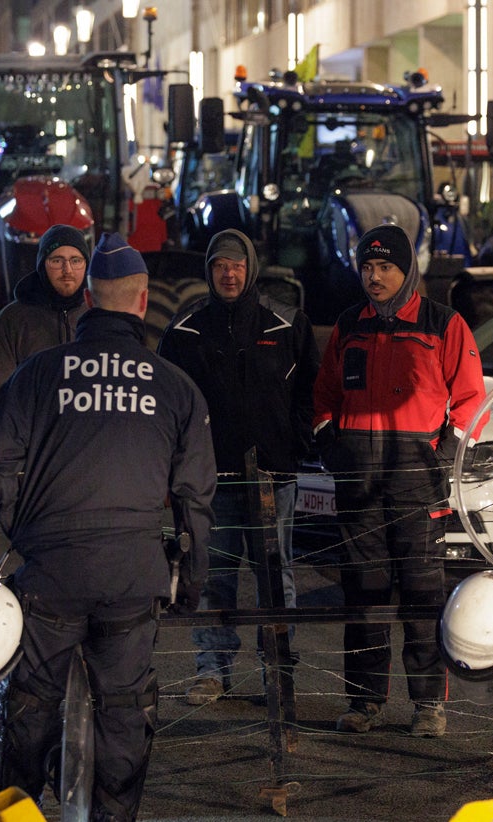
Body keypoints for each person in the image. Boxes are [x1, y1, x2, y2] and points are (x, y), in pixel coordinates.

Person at [0, 233, 215, 821]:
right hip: (133, 576)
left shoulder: (39, 373)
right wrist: (191, 577)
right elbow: (195, 495)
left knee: (28, 706)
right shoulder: (173, 385)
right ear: (142, 300)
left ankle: (18, 814)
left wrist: (24, 529)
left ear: (87, 297)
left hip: (51, 573)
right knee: (125, 712)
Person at [312, 224, 486, 738]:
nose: (375, 277)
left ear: (407, 270)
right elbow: (324, 396)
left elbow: (472, 399)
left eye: (385, 267)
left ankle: (428, 705)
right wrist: (332, 444)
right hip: (359, 485)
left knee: (420, 597)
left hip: (417, 485)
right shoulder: (349, 326)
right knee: (363, 597)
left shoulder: (444, 325)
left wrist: (446, 454)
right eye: (367, 267)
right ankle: (365, 704)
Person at [158, 228, 318, 704]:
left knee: (276, 578)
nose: (229, 274)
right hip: (212, 480)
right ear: (209, 272)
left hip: (274, 478)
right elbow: (167, 406)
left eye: (237, 265)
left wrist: (296, 444)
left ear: (251, 269)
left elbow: (311, 391)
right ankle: (212, 670)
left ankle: (278, 669)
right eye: (220, 265)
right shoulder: (185, 332)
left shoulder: (286, 326)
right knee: (212, 576)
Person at [0, 224, 90, 400]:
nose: (67, 270)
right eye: (57, 260)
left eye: (76, 260)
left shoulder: (98, 316)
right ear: (42, 265)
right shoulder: (13, 320)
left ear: (86, 265)